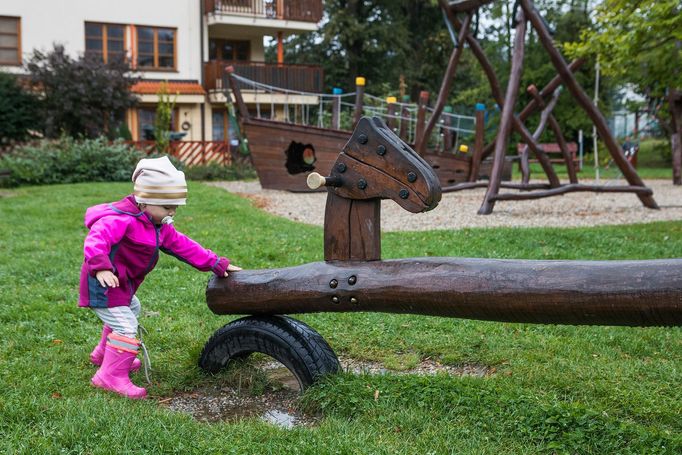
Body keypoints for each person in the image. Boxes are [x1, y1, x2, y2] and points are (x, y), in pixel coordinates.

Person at [78, 156, 241, 399]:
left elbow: (183, 246)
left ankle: (105, 354)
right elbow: (96, 239)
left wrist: (216, 263)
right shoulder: (120, 220)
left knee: (132, 308)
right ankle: (109, 376)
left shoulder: (157, 225)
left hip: (122, 285)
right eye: (167, 207)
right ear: (145, 201)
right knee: (126, 324)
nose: (172, 212)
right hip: (102, 284)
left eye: (175, 207)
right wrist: (101, 267)